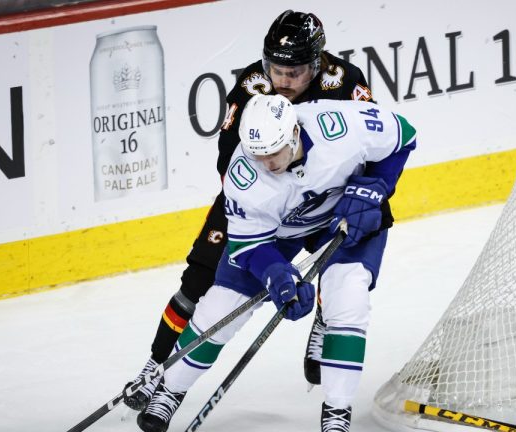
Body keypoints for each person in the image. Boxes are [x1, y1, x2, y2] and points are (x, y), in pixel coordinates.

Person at [123, 9, 378, 411]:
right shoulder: (251, 85)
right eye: (277, 70)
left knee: (349, 256)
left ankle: (326, 318)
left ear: (316, 63)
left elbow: (369, 143)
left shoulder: (345, 82)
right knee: (200, 280)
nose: (283, 81)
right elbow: (228, 158)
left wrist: (358, 193)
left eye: (294, 72)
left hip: (323, 200)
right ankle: (158, 366)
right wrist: (261, 197)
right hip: (259, 203)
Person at [136, 94, 416, 432]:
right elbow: (249, 244)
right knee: (220, 310)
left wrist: (376, 187)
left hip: (343, 219)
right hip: (277, 234)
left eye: (274, 152)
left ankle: (337, 413)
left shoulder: (342, 126)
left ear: (294, 132)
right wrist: (277, 276)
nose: (267, 162)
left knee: (348, 298)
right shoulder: (243, 175)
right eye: (259, 154)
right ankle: (170, 390)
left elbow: (404, 135)